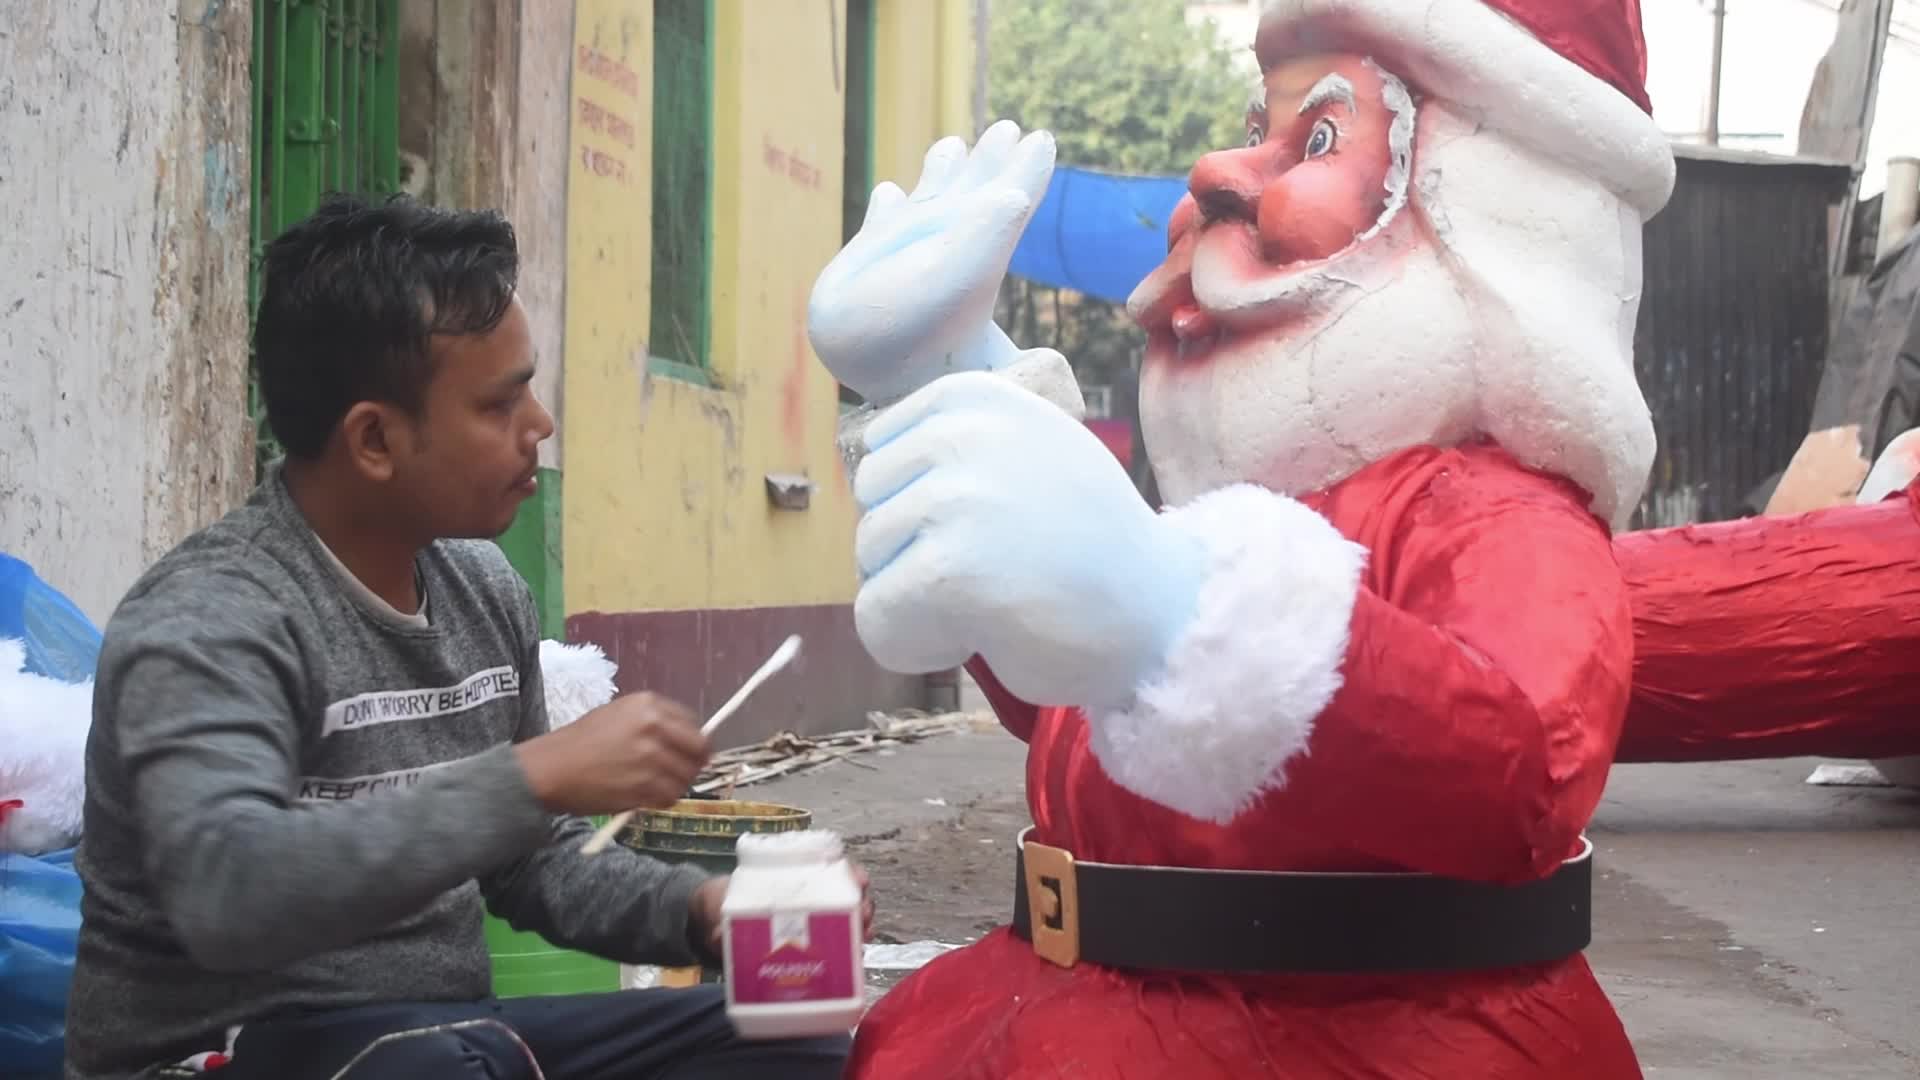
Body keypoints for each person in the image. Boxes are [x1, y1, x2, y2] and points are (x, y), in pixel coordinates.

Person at [806, 0, 1673, 1076]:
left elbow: (1524, 773)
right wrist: (934, 376)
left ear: (1473, 206)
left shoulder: (1494, 514)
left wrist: (1177, 611)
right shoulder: (1261, 508)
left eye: (1316, 136)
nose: (1218, 169)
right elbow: (1088, 720)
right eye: (1252, 126)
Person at [64, 194, 866, 1080]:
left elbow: (529, 864)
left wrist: (703, 909)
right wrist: (535, 775)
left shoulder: (482, 592)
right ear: (374, 438)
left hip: (456, 1041)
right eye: (500, 403)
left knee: (797, 1035)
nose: (540, 427)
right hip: (238, 1053)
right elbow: (227, 893)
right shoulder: (213, 620)